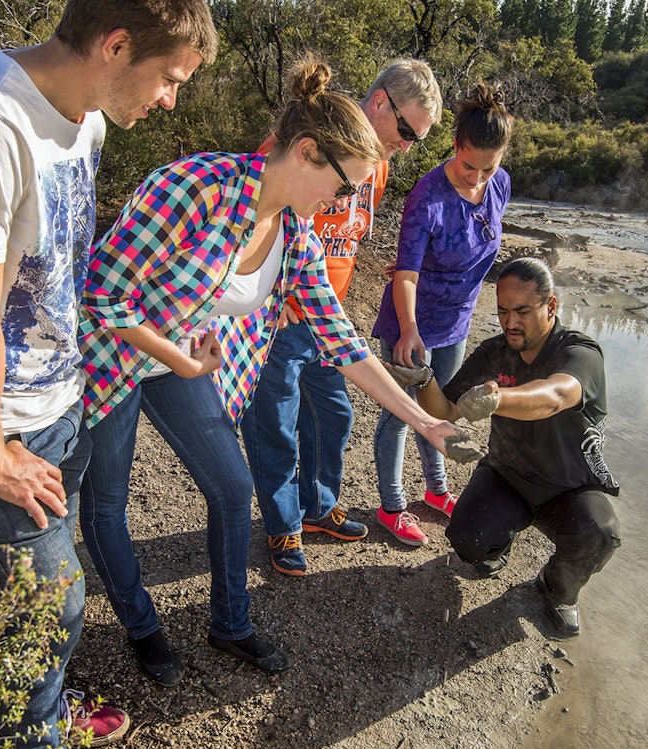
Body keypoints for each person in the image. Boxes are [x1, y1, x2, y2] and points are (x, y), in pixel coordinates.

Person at [78, 54, 468, 687]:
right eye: (344, 187)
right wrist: (179, 359)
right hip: (114, 355)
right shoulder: (194, 187)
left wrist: (424, 420)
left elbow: (340, 341)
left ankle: (230, 623)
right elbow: (100, 294)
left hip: (183, 357)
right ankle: (143, 627)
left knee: (233, 490)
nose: (345, 203)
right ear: (307, 153)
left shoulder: (295, 231)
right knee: (107, 506)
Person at [0, 1, 217, 749]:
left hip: (57, 407)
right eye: (169, 79)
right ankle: (32, 740)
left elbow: (57, 266)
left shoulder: (88, 119)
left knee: (32, 600)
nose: (170, 100)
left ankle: (25, 702)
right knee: (55, 605)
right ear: (115, 44)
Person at [241, 60, 443, 577]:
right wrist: (273, 293)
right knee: (278, 426)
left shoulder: (377, 165)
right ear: (380, 102)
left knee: (335, 415)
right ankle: (282, 524)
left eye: (416, 139)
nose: (406, 144)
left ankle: (317, 507)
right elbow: (251, 227)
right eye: (405, 130)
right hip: (282, 319)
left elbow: (346, 243)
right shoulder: (303, 144)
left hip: (326, 314)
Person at [386, 257, 622, 639]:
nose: (511, 322)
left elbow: (554, 395)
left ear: (552, 306)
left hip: (568, 487)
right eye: (503, 310)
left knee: (599, 534)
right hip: (508, 476)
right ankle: (498, 547)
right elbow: (445, 409)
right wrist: (425, 379)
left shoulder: (580, 353)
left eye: (523, 311)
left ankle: (556, 588)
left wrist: (498, 399)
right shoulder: (494, 353)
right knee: (467, 540)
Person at [370, 82, 514, 546]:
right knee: (401, 415)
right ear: (456, 146)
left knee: (442, 407)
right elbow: (406, 272)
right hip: (410, 324)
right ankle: (391, 505)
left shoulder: (501, 185)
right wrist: (409, 329)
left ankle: (436, 492)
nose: (476, 178)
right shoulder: (427, 196)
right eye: (468, 165)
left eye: (487, 169)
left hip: (455, 324)